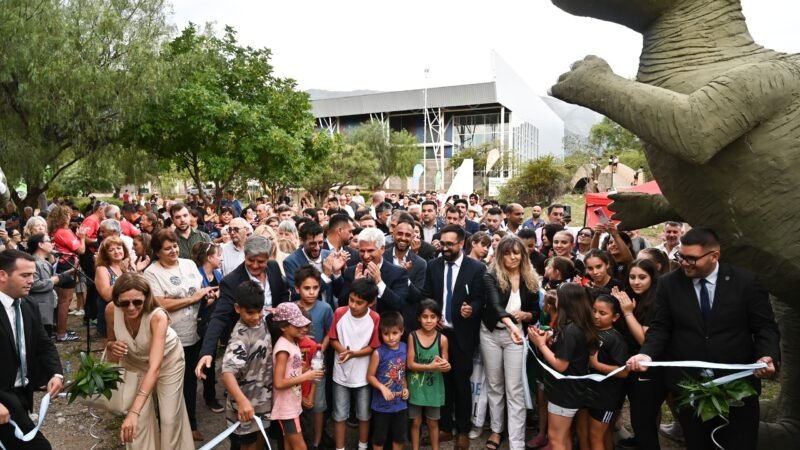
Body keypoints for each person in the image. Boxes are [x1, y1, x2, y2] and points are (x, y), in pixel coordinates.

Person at [627, 228, 780, 450]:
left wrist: (766, 355)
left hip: (737, 384)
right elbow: (660, 328)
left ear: (714, 256)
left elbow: (764, 326)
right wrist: (646, 353)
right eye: (681, 256)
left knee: (740, 443)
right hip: (690, 388)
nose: (684, 263)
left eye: (692, 258)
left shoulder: (745, 282)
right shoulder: (669, 284)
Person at [103, 272, 193, 448]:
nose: (130, 307)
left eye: (137, 302)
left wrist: (133, 412)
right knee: (138, 421)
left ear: (146, 298)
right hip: (133, 361)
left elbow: (155, 367)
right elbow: (110, 340)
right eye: (124, 302)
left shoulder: (157, 316)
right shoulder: (111, 310)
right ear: (116, 300)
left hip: (168, 362)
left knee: (169, 418)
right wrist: (112, 346)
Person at [144, 229, 218, 442]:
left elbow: (200, 289)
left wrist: (207, 295)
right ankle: (166, 425)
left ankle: (190, 423)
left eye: (175, 246)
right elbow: (160, 303)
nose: (174, 250)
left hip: (195, 331)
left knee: (190, 382)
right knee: (170, 383)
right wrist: (193, 299)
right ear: (157, 252)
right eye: (167, 248)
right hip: (170, 336)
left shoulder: (189, 264)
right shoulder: (152, 273)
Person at [421, 224, 487, 449]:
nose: (445, 248)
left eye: (450, 244)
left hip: (463, 335)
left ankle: (463, 430)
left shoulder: (476, 268)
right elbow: (426, 295)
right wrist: (432, 314)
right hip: (439, 334)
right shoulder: (433, 266)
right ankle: (446, 428)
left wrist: (472, 309)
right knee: (443, 383)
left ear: (462, 244)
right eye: (443, 243)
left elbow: (480, 299)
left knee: (461, 383)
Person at [196, 236, 289, 380]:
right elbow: (219, 317)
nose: (255, 265)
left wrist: (279, 311)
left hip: (275, 340)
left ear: (268, 258)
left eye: (261, 262)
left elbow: (282, 294)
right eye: (251, 260)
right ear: (244, 256)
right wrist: (207, 351)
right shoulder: (232, 281)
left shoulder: (274, 268)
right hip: (248, 347)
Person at [0, 250, 64, 450]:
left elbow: (44, 344)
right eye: (25, 275)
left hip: (21, 394)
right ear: (2, 275)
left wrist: (56, 373)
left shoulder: (28, 304)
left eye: (33, 275)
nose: (32, 280)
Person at [482, 236, 538, 450]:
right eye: (507, 253)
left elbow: (536, 312)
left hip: (516, 337)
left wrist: (526, 316)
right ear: (500, 255)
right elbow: (496, 307)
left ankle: (517, 442)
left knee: (514, 389)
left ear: (523, 255)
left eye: (517, 252)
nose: (512, 257)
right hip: (491, 334)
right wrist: (513, 325)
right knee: (495, 385)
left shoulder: (531, 278)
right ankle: (496, 431)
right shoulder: (491, 275)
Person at [528, 283, 598, 450]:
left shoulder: (570, 331)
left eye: (558, 297)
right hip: (573, 390)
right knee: (564, 436)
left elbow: (560, 365)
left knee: (556, 438)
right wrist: (551, 339)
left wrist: (541, 344)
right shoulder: (577, 326)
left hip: (565, 393)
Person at [611, 258, 665, 449]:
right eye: (632, 277)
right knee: (639, 420)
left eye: (642, 277)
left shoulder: (657, 302)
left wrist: (627, 313)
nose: (636, 282)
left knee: (643, 421)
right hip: (631, 366)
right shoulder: (633, 297)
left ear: (653, 278)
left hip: (649, 369)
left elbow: (645, 340)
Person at [220, 281, 275, 450]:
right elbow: (227, 373)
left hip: (262, 402)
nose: (256, 316)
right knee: (247, 444)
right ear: (237, 308)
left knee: (260, 440)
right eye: (250, 313)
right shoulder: (240, 338)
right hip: (245, 407)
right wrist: (242, 401)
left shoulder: (260, 321)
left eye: (259, 311)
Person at [328, 278, 381, 450]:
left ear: (370, 303)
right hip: (340, 372)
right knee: (340, 414)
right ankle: (340, 447)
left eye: (359, 302)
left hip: (364, 375)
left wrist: (353, 354)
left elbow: (373, 346)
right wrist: (344, 351)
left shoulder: (374, 318)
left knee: (364, 414)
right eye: (351, 300)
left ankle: (363, 446)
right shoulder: (339, 313)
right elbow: (333, 338)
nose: (353, 305)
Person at [578, 294, 629, 450]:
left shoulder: (616, 339)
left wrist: (596, 365)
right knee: (587, 433)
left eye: (602, 313)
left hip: (605, 398)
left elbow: (624, 372)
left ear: (615, 317)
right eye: (594, 311)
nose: (596, 316)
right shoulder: (591, 332)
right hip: (587, 394)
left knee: (596, 436)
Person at [269, 302, 323, 450]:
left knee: (289, 445)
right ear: (283, 327)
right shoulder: (283, 348)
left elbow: (290, 372)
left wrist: (307, 372)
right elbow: (279, 382)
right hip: (286, 407)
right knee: (300, 446)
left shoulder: (292, 343)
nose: (303, 329)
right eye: (298, 326)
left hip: (292, 403)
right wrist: (306, 377)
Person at [293, 266, 333, 450]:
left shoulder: (325, 308)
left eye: (315, 288)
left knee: (317, 405)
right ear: (297, 288)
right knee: (295, 405)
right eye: (307, 288)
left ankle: (316, 442)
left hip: (317, 366)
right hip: (295, 367)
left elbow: (329, 333)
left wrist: (320, 350)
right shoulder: (292, 308)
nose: (311, 292)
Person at [407, 300, 450, 450]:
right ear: (419, 317)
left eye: (433, 316)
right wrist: (430, 366)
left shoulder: (443, 339)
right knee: (416, 422)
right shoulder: (413, 336)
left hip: (434, 388)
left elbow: (445, 365)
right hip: (416, 388)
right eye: (425, 316)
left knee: (433, 422)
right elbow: (410, 364)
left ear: (438, 318)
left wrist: (446, 366)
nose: (429, 320)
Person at [367, 311, 409, 450]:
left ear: (401, 331)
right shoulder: (378, 352)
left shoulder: (405, 348)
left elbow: (403, 374)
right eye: (386, 334)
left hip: (400, 404)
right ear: (381, 334)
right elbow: (370, 376)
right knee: (379, 438)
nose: (390, 338)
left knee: (399, 436)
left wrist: (406, 388)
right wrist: (382, 388)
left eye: (394, 333)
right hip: (381, 406)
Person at [192, 241, 225, 414]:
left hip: (213, 323)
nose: (220, 258)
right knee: (204, 358)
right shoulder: (196, 276)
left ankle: (210, 393)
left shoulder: (218, 275)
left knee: (210, 358)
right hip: (197, 324)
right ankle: (208, 396)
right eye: (218, 255)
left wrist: (216, 296)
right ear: (209, 257)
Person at [47, 205, 85, 342]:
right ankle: (61, 333)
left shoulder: (55, 231)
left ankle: (59, 329)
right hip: (67, 265)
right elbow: (80, 249)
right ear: (65, 217)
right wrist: (83, 237)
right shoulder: (64, 231)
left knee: (62, 300)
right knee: (65, 301)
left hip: (60, 265)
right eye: (69, 215)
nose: (71, 217)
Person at [94, 236, 134, 337]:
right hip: (112, 313)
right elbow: (107, 295)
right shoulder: (103, 269)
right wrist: (124, 275)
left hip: (131, 311)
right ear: (106, 254)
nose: (116, 252)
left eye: (119, 248)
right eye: (111, 250)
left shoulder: (129, 265)